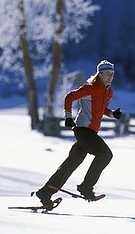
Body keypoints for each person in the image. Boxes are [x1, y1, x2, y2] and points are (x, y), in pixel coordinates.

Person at [34, 59, 122, 204]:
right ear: (99, 74)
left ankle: (45, 193)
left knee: (72, 162)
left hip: (91, 132)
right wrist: (68, 117)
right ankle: (86, 187)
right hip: (83, 130)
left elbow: (99, 108)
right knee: (105, 154)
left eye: (112, 73)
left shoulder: (108, 91)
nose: (110, 76)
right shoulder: (90, 88)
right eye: (107, 73)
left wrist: (112, 114)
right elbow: (69, 97)